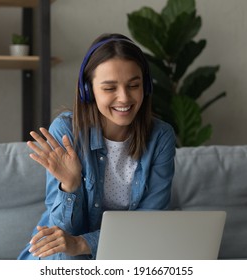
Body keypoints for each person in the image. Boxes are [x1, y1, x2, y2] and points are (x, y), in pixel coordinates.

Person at [17, 33, 176, 260]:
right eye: (110, 88)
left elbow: (149, 222)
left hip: (124, 254)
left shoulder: (161, 137)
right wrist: (69, 185)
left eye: (134, 85)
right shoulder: (66, 131)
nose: (124, 98)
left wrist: (83, 243)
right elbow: (63, 231)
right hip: (63, 257)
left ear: (146, 86)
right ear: (87, 90)